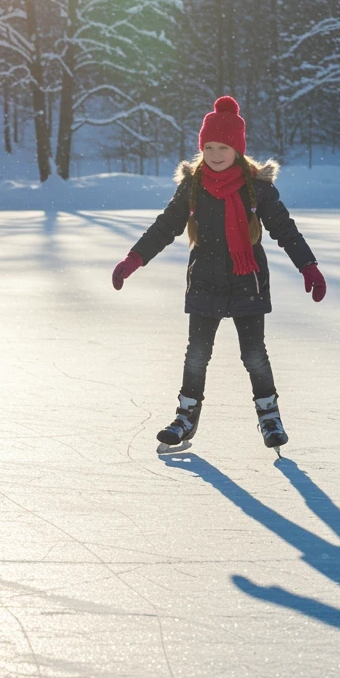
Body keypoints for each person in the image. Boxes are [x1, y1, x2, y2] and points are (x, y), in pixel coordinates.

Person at [112, 96, 326, 450]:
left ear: (237, 148)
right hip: (205, 281)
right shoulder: (193, 187)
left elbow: (285, 230)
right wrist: (134, 259)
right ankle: (185, 418)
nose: (214, 152)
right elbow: (166, 227)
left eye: (222, 146)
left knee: (254, 354)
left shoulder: (257, 188)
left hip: (248, 281)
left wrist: (308, 265)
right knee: (197, 353)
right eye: (208, 145)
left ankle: (269, 418)